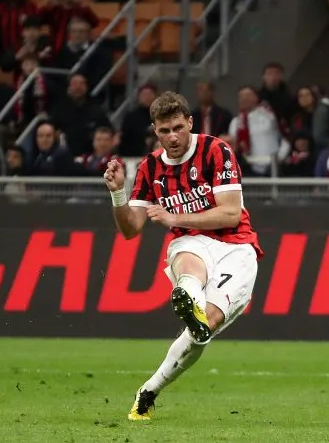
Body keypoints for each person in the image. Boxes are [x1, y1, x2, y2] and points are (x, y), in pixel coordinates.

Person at [102, 91, 263, 421]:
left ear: (190, 122)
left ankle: (149, 390)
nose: (172, 137)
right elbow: (131, 230)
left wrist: (174, 217)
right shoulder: (150, 167)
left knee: (204, 329)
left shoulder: (216, 151)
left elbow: (231, 213)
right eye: (164, 131)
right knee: (187, 257)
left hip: (237, 247)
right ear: (155, 131)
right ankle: (189, 297)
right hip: (190, 242)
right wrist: (118, 194)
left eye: (178, 128)